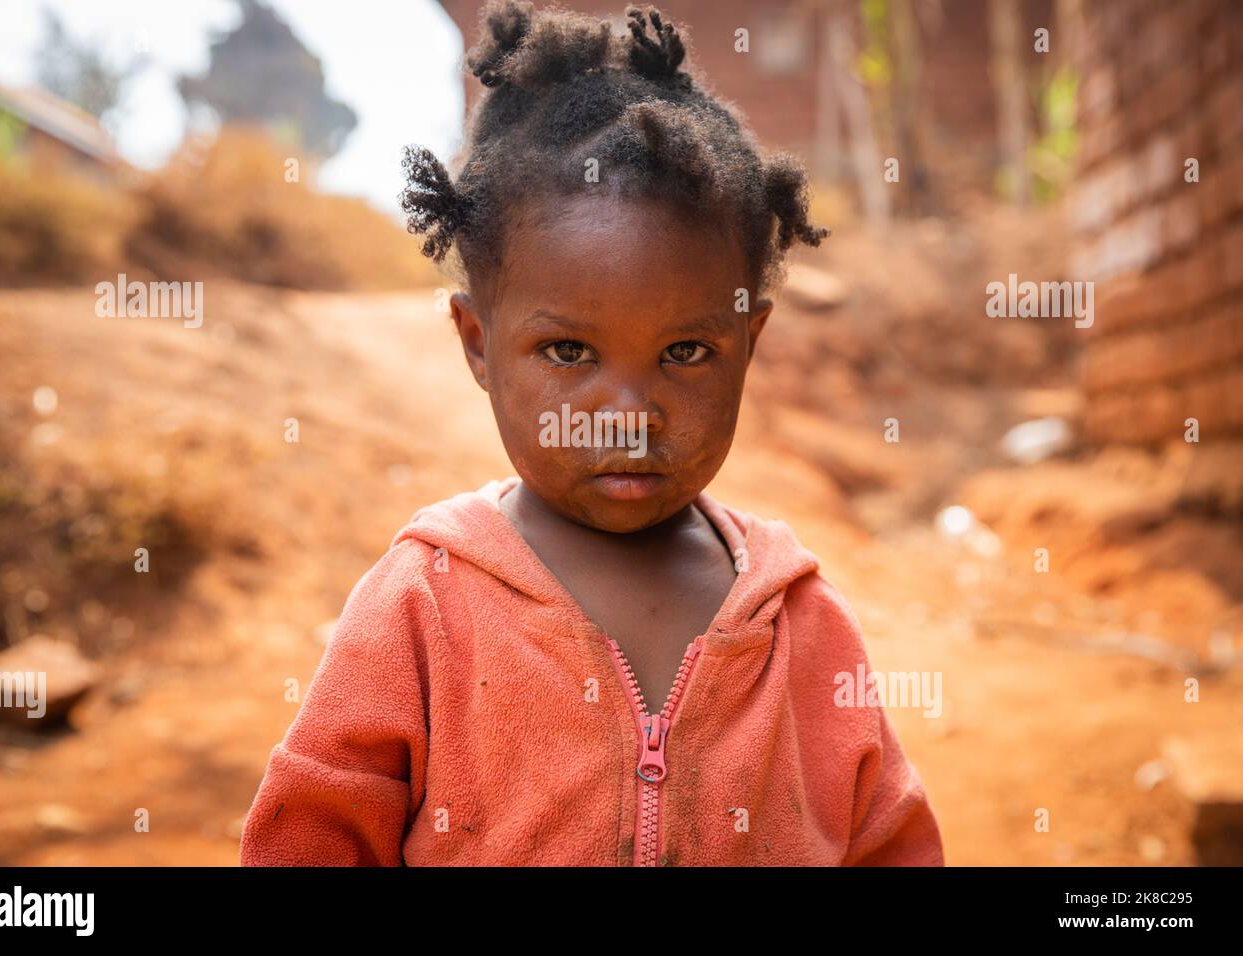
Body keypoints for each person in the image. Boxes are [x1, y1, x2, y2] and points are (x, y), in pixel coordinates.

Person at [240, 0, 943, 866]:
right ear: (478, 346)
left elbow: (890, 843)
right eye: (568, 350)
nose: (627, 415)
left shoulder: (801, 622)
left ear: (748, 345)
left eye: (686, 350)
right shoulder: (420, 610)